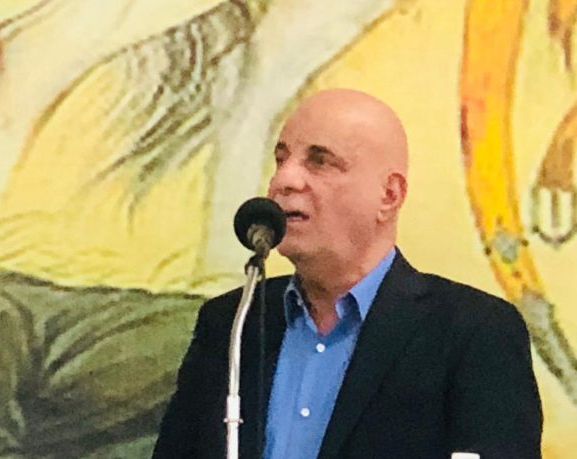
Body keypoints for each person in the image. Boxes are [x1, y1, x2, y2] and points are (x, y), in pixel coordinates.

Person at [152, 89, 542, 459]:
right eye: (281, 159)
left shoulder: (474, 332)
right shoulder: (232, 323)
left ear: (388, 196)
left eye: (319, 161)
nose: (284, 180)